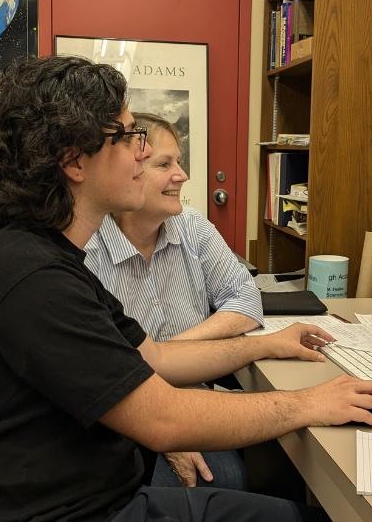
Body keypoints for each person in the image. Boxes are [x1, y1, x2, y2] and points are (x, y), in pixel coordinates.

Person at [0, 55, 372, 522]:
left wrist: (268, 344)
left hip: (84, 495)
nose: (143, 152)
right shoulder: (31, 278)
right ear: (74, 161)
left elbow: (157, 358)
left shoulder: (41, 255)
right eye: (127, 137)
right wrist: (310, 403)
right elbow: (162, 421)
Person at [85, 113, 261, 490]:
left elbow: (245, 299)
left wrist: (164, 352)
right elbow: (99, 371)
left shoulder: (192, 226)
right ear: (128, 172)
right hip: (120, 409)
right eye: (165, 164)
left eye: (178, 163)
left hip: (193, 396)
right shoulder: (88, 248)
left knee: (227, 477)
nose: (181, 176)